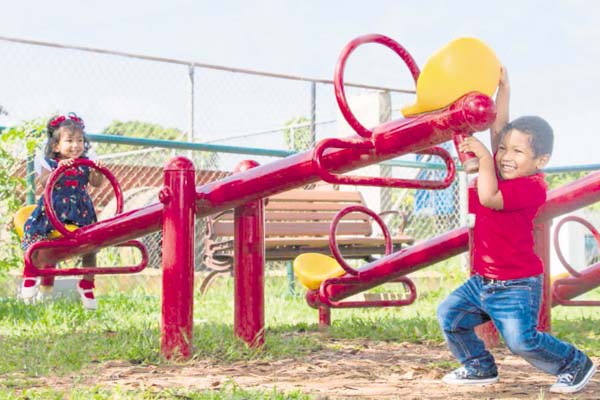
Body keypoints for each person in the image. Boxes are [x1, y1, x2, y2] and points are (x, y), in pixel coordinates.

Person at [437, 68, 596, 394]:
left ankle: (574, 363)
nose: (506, 156)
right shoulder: (499, 165)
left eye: (518, 152)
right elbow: (499, 127)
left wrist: (481, 158)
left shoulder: (531, 186)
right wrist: (503, 89)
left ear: (541, 160)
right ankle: (478, 366)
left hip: (515, 285)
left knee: (521, 341)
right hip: (483, 281)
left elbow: (489, 197)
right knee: (450, 316)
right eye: (503, 149)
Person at [20, 113, 104, 310]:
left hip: (81, 212)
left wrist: (97, 171)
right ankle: (30, 273)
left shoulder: (85, 163)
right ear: (56, 146)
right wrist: (58, 169)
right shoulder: (49, 162)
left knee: (91, 246)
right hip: (53, 211)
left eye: (80, 140)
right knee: (35, 239)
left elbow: (96, 183)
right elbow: (44, 182)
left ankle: (87, 283)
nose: (76, 145)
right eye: (69, 141)